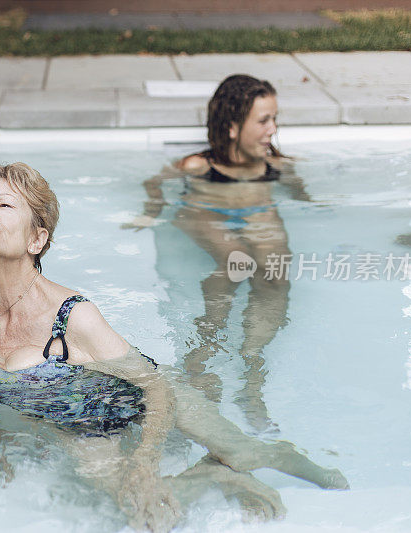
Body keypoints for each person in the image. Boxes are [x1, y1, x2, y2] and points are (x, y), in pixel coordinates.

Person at [0, 161, 347, 532]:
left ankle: (270, 454)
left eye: (4, 205)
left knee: (239, 449)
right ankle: (215, 477)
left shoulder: (74, 316)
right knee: (141, 513)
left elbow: (155, 387)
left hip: (143, 391)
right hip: (81, 425)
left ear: (36, 240)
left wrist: (145, 464)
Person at [127, 74, 311, 432]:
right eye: (263, 121)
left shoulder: (274, 166)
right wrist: (151, 210)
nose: (273, 129)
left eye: (274, 119)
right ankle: (201, 355)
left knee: (275, 274)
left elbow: (300, 189)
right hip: (206, 211)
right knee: (237, 261)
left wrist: (313, 203)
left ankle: (252, 372)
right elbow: (155, 182)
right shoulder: (199, 166)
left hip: (256, 210)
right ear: (231, 127)